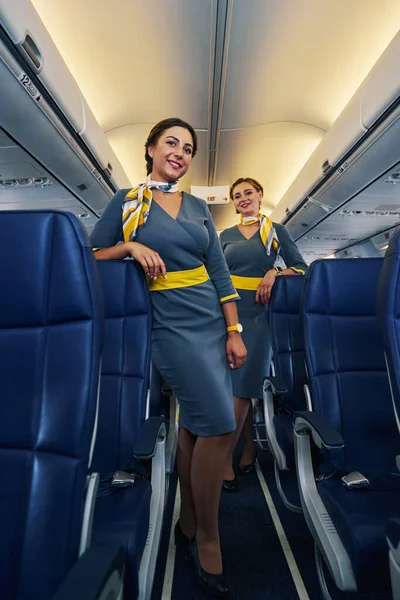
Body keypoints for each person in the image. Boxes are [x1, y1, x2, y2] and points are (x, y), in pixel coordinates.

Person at [90, 118, 247, 597]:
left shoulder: (199, 207)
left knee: (195, 426)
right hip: (170, 323)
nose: (179, 152)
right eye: (171, 143)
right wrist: (131, 246)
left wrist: (234, 329)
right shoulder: (129, 202)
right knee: (220, 425)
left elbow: (218, 272)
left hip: (209, 318)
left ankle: (188, 519)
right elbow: (91, 253)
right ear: (152, 149)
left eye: (188, 147)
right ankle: (207, 536)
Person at [219, 177, 307, 491]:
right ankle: (250, 448)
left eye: (248, 193)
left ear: (260, 195)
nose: (242, 198)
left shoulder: (274, 231)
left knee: (243, 388)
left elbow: (300, 267)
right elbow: (215, 273)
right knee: (231, 387)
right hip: (225, 314)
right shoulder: (224, 235)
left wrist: (273, 271)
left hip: (257, 316)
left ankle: (224, 458)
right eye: (236, 195)